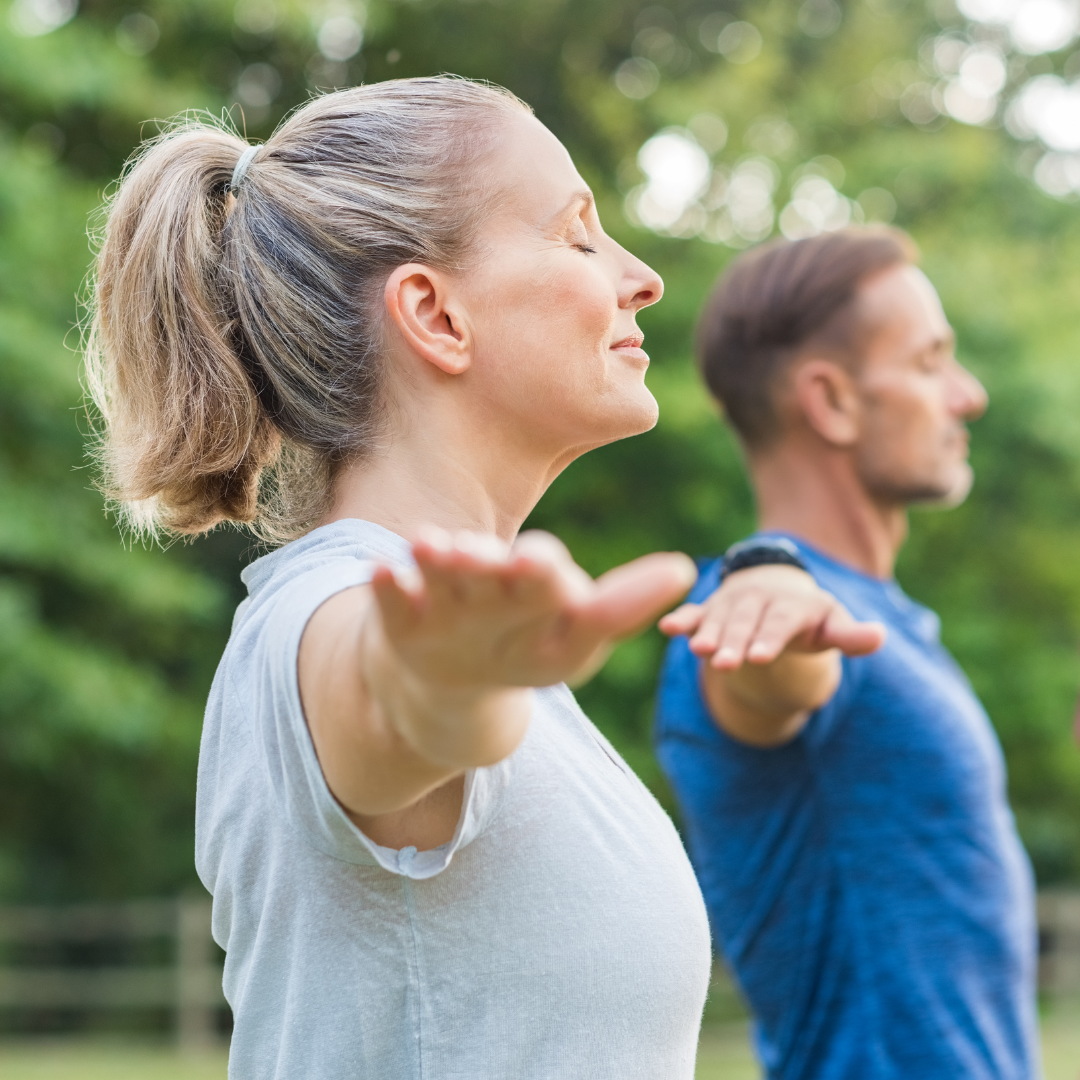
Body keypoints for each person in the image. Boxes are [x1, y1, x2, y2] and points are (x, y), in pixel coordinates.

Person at [85, 77, 869, 1079]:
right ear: (436, 315)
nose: (641, 277)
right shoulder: (336, 618)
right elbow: (389, 699)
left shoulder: (485, 652)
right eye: (578, 234)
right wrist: (444, 681)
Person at [655, 228, 1040, 1080]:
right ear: (831, 401)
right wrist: (767, 590)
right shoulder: (757, 615)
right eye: (932, 361)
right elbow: (769, 671)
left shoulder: (886, 622)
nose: (968, 395)